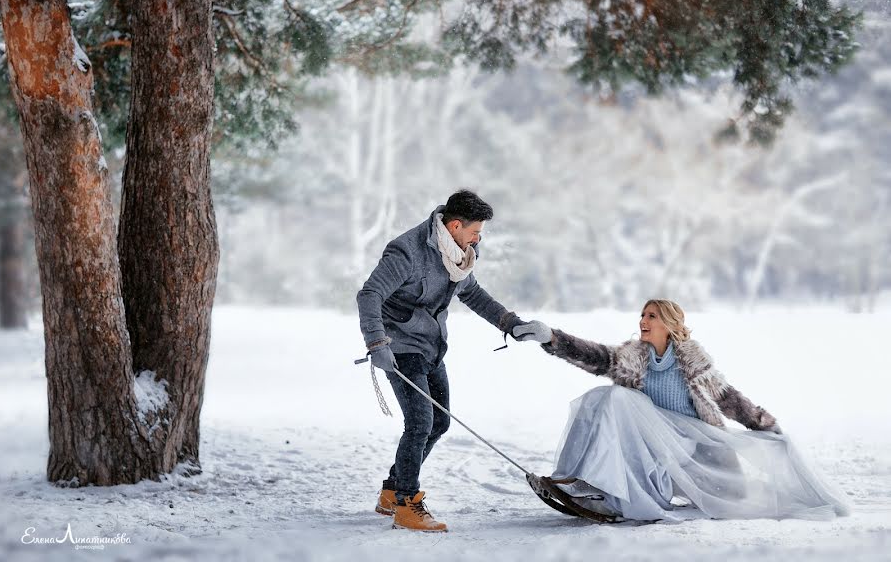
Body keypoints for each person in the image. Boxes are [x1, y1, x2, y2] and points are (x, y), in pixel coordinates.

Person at [514, 299, 850, 522]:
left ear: (670, 325)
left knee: (616, 399)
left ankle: (610, 494)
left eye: (652, 316)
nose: (643, 320)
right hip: (651, 445)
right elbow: (598, 357)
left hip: (692, 449)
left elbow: (729, 398)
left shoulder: (694, 363)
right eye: (642, 315)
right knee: (602, 398)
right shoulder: (633, 358)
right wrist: (552, 339)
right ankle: (577, 482)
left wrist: (763, 425)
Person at [356, 190, 549, 532]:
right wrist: (376, 342)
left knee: (439, 423)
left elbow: (472, 293)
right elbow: (370, 294)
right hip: (398, 345)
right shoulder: (407, 252)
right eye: (476, 231)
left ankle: (391, 491)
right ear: (455, 225)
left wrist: (511, 324)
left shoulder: (458, 255)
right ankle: (406, 503)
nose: (479, 238)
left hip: (432, 345)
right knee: (419, 422)